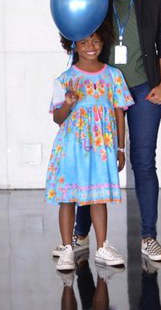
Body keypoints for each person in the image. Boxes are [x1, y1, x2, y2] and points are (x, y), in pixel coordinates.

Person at [68, 0, 161, 263]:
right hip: (100, 95)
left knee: (144, 162)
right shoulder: (94, 0)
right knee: (96, 164)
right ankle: (81, 234)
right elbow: (76, 43)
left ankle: (149, 237)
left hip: (145, 90)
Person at [47, 25, 134, 271]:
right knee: (68, 198)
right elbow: (58, 118)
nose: (91, 47)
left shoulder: (113, 76)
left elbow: (119, 113)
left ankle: (103, 246)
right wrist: (68, 103)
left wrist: (120, 149)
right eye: (84, 42)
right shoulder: (65, 79)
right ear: (74, 46)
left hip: (101, 147)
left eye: (95, 41)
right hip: (72, 147)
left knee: (99, 198)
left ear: (102, 43)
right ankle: (66, 248)